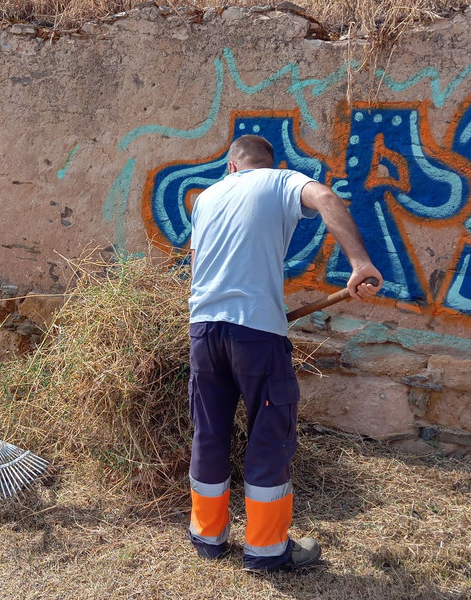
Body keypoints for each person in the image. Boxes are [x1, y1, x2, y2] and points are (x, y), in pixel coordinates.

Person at [186, 135, 382, 573]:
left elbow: (197, 264)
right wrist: (359, 264)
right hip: (257, 334)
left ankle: (207, 536)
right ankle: (266, 549)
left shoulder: (207, 197)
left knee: (210, 432)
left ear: (231, 166)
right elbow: (326, 197)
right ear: (268, 164)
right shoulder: (280, 181)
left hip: (203, 330)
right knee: (269, 435)